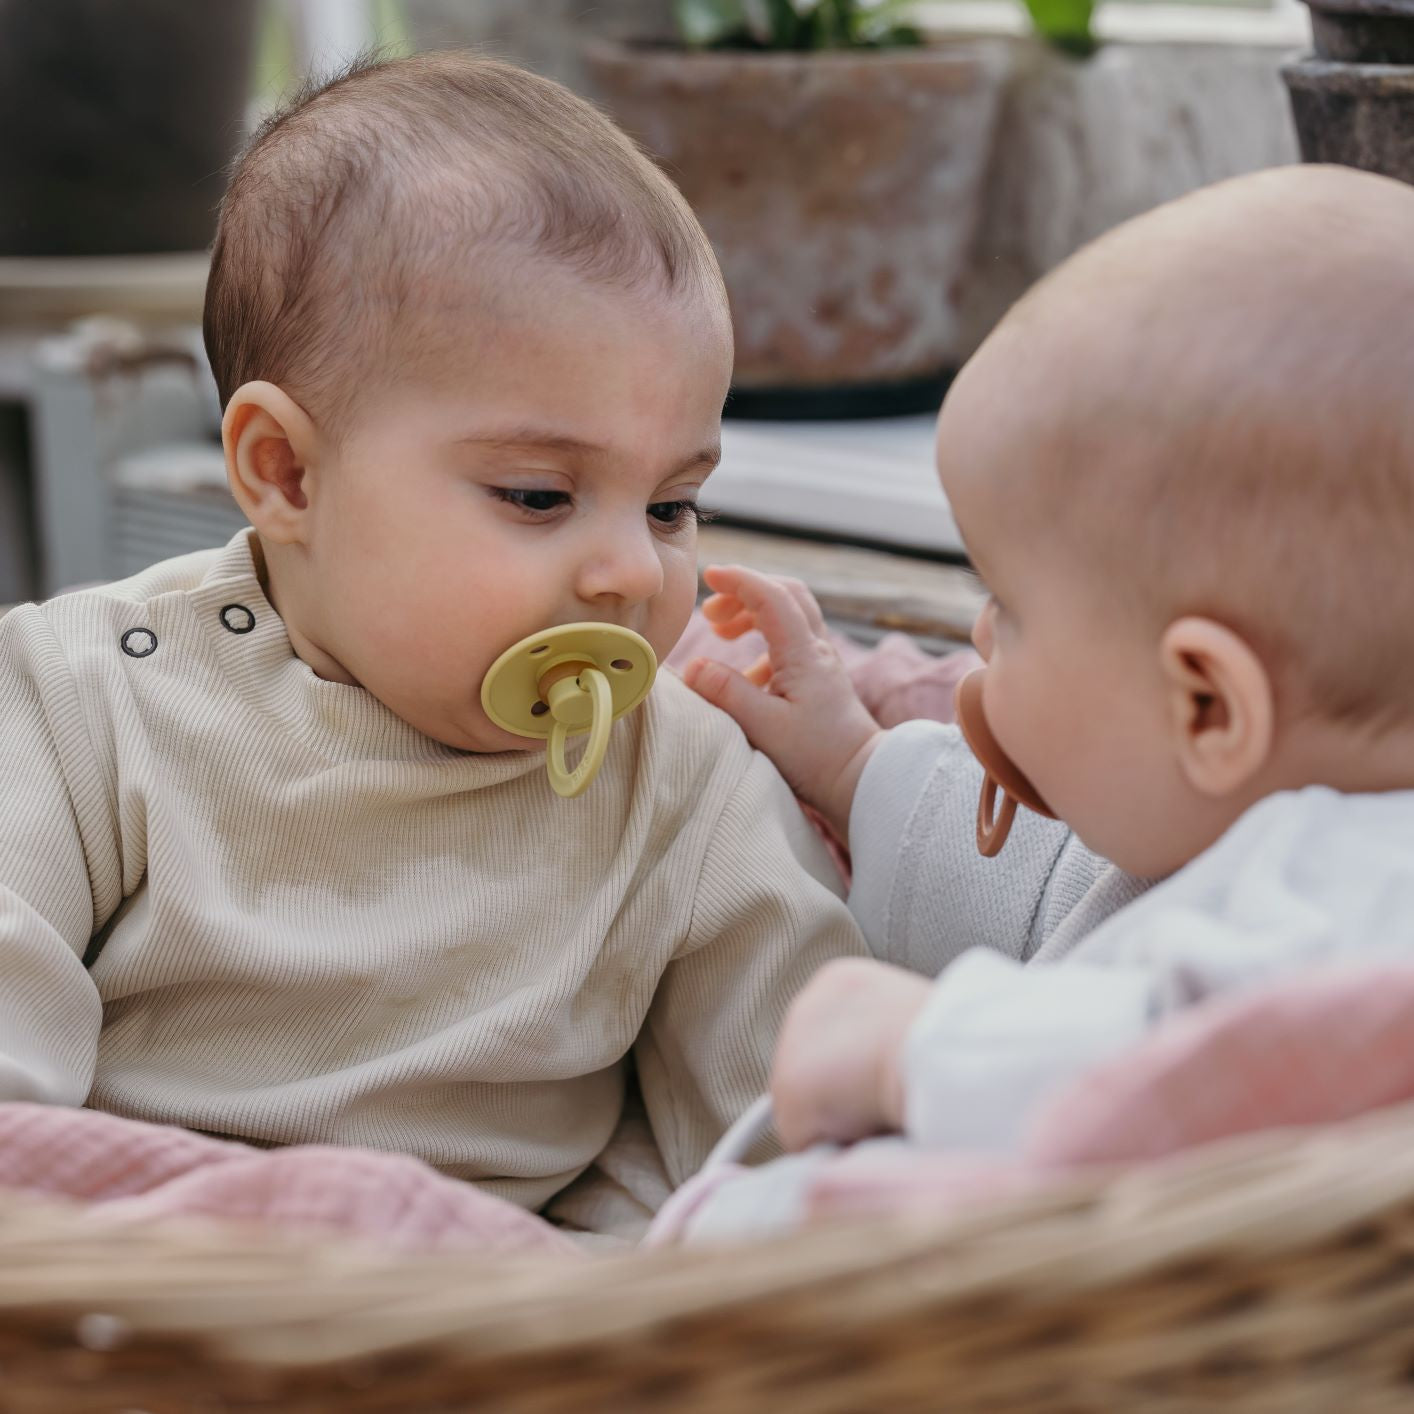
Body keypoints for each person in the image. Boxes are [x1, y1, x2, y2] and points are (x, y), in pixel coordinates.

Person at [0, 52, 866, 1242]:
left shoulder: (682, 784)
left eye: (671, 506)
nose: (632, 570)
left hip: (486, 1306)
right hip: (152, 1281)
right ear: (286, 473)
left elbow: (793, 1132)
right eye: (537, 495)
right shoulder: (82, 702)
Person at [663, 164, 1414, 1240]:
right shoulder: (1246, 826)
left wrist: (912, 1049)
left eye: (1009, 609)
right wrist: (852, 764)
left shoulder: (1368, 898)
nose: (979, 637)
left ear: (1207, 706)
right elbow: (1055, 883)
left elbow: (1179, 1068)